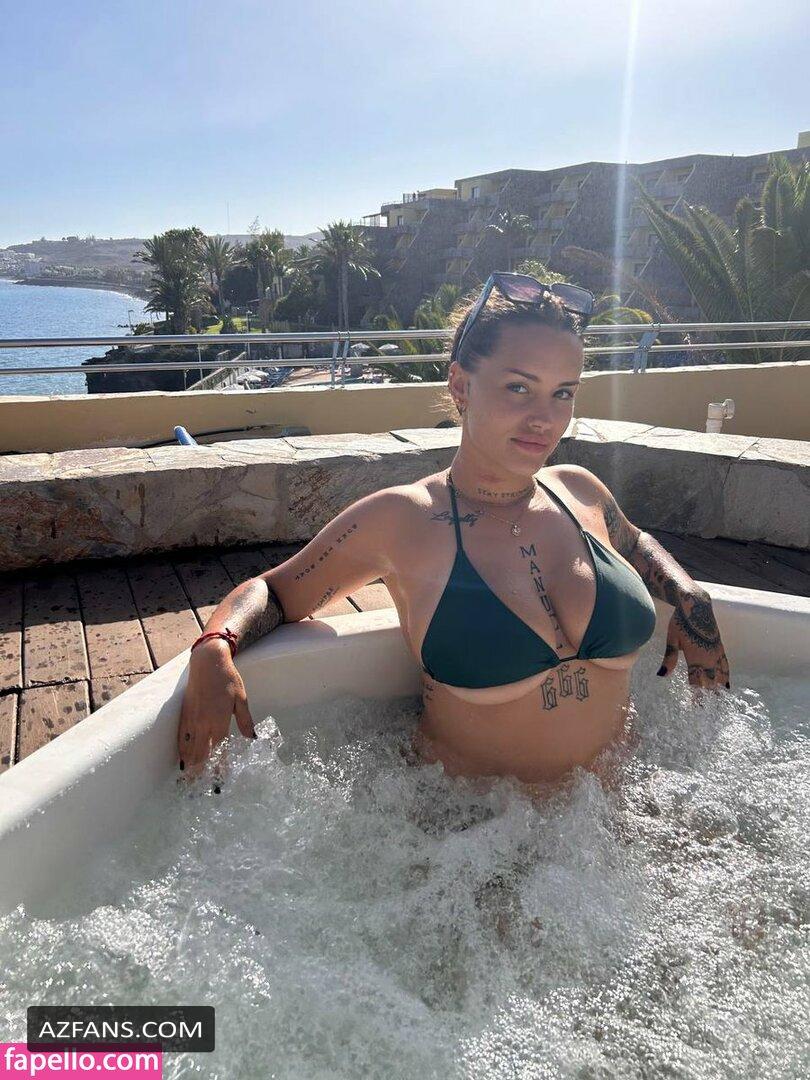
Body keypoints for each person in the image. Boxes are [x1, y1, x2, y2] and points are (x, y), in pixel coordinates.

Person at [178, 272, 731, 790]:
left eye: (564, 392)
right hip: (466, 830)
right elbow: (276, 591)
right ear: (461, 385)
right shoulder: (403, 519)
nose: (545, 418)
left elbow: (634, 544)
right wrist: (215, 647)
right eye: (519, 388)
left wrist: (688, 594)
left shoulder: (580, 490)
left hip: (618, 811)